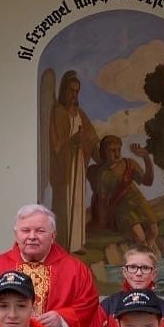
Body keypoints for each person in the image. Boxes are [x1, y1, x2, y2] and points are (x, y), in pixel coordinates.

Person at [49, 70, 99, 252]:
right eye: (71, 90)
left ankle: (78, 243)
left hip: (77, 163)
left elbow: (92, 137)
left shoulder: (80, 113)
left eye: (77, 91)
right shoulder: (58, 111)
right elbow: (55, 144)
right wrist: (72, 141)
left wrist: (88, 143)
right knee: (65, 202)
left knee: (78, 200)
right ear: (64, 91)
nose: (74, 95)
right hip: (64, 165)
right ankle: (65, 243)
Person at [87, 135, 159, 251]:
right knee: (140, 238)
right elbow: (102, 201)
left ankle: (146, 257)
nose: (117, 154)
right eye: (112, 151)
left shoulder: (129, 164)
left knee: (154, 231)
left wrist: (146, 157)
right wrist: (103, 224)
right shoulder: (102, 173)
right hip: (122, 208)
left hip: (138, 201)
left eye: (119, 150)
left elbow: (148, 181)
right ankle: (146, 259)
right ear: (104, 152)